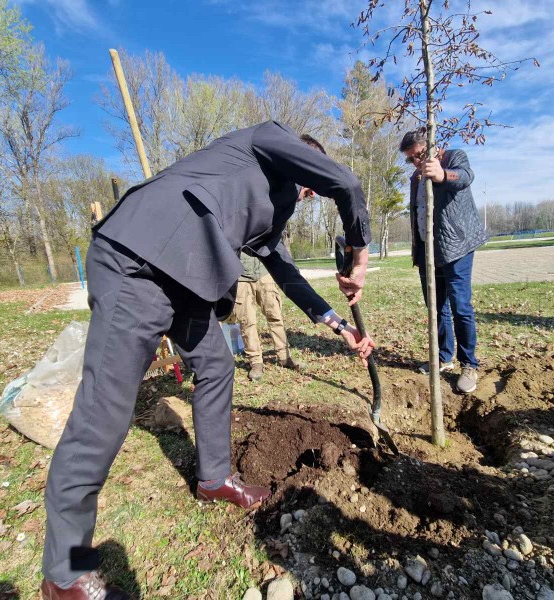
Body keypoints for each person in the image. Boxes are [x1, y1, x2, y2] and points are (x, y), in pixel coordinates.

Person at [40, 121, 375, 599]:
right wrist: (358, 250)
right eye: (308, 191)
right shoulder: (265, 141)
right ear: (305, 165)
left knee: (217, 366)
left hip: (185, 281)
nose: (305, 201)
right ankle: (65, 574)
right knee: (104, 411)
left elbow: (286, 272)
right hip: (140, 263)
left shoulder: (268, 209)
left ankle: (214, 477)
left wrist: (340, 327)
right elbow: (345, 182)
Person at [399, 129, 488, 393]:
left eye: (418, 156)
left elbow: (465, 177)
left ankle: (469, 364)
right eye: (410, 159)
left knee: (460, 305)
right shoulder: (416, 177)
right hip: (428, 251)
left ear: (432, 146)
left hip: (456, 246)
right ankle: (443, 357)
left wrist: (441, 174)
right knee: (436, 308)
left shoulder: (453, 157)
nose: (416, 162)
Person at [235, 251, 302, 381]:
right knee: (247, 322)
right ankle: (255, 362)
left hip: (264, 271)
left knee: (275, 316)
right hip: (240, 276)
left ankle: (284, 357)